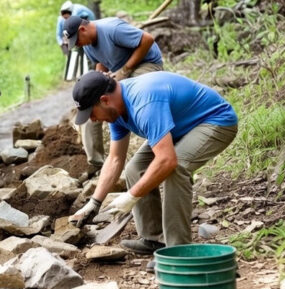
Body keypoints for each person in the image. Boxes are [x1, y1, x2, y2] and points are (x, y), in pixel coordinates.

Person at [68, 71, 238, 271]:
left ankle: (178, 251)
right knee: (134, 168)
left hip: (215, 121)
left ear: (104, 100)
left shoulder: (144, 103)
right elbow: (115, 159)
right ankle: (154, 238)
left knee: (176, 169)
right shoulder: (116, 111)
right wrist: (93, 204)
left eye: (92, 113)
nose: (94, 120)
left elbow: (167, 160)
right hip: (179, 127)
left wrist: (132, 195)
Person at [63, 15, 164, 172]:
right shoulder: (87, 43)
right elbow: (100, 62)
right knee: (90, 103)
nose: (77, 45)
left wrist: (125, 70)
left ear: (82, 29)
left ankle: (158, 144)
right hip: (119, 72)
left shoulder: (112, 29)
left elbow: (147, 39)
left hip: (146, 64)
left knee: (130, 98)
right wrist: (96, 84)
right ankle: (98, 164)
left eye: (77, 41)